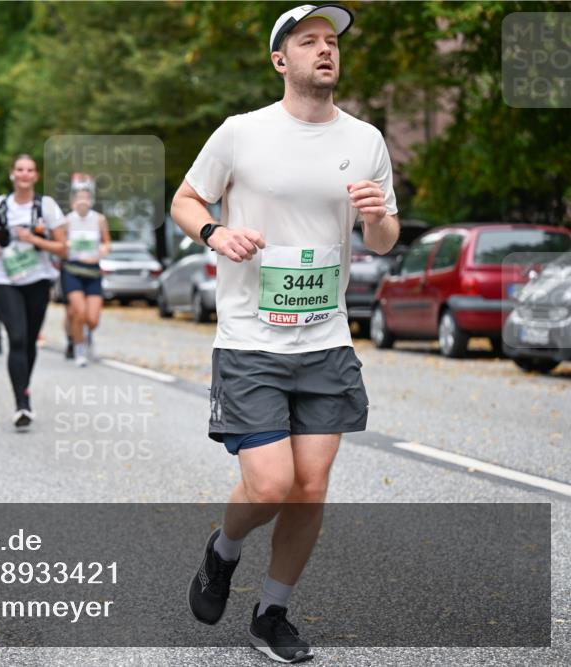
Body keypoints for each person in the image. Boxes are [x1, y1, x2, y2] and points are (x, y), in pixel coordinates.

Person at [173, 5, 399, 663]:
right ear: (282, 60)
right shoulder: (241, 133)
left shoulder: (366, 140)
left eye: (332, 42)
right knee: (270, 483)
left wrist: (380, 217)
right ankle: (223, 551)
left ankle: (273, 612)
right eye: (309, 42)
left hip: (326, 338)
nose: (326, 50)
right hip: (251, 340)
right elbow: (187, 200)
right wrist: (216, 232)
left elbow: (383, 240)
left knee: (310, 484)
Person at [0, 155, 67, 430]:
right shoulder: (0, 205)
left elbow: (63, 248)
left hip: (38, 279)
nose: (24, 174)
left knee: (29, 339)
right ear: (12, 174)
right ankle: (21, 403)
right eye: (20, 169)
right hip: (6, 279)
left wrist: (34, 239)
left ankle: (24, 388)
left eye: (30, 170)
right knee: (16, 338)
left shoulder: (47, 207)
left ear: (35, 176)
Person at [61, 175, 111, 367]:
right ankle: (79, 349)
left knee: (92, 319)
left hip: (92, 270)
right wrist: (65, 245)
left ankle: (88, 334)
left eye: (86, 197)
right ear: (73, 202)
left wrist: (104, 249)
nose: (83, 201)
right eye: (79, 197)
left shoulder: (99, 220)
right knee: (78, 312)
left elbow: (107, 242)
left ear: (91, 200)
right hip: (73, 269)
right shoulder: (67, 221)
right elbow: (59, 244)